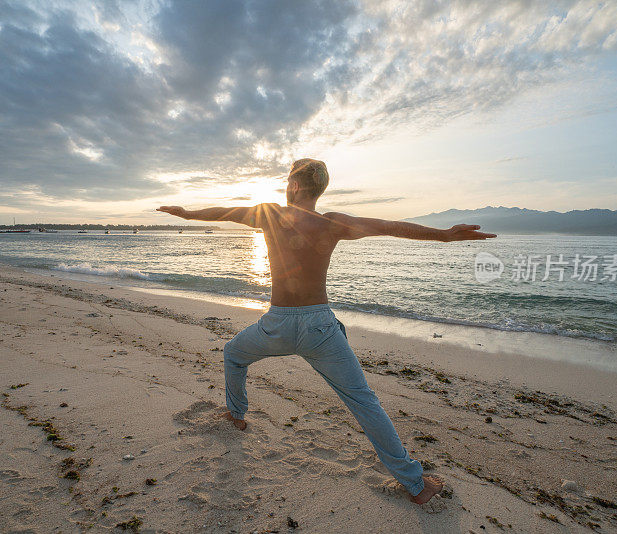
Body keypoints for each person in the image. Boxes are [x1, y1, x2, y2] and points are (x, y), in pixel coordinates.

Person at [156, 158, 496, 504]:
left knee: (234, 354)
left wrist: (187, 214)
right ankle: (416, 484)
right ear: (320, 190)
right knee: (363, 401)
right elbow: (390, 225)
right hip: (320, 327)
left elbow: (226, 212)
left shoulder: (271, 214)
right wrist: (443, 236)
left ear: (294, 186)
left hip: (277, 324)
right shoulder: (332, 223)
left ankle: (236, 414)